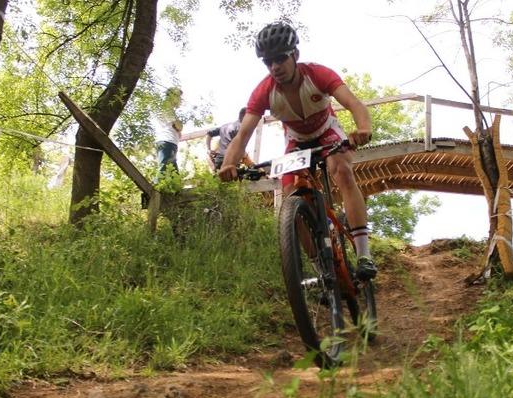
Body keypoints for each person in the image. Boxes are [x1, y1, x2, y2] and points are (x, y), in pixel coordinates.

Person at [217, 22, 377, 279]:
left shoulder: (317, 74)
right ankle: (321, 267)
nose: (275, 67)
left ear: (295, 55)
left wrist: (363, 127)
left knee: (342, 170)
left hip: (327, 132)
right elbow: (243, 133)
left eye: (280, 58)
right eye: (268, 62)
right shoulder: (264, 91)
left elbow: (353, 103)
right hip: (297, 141)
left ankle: (364, 255)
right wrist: (228, 164)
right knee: (290, 197)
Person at [206, 107, 254, 172]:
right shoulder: (241, 128)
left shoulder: (225, 127)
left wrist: (208, 149)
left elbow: (209, 134)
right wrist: (253, 166)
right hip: (230, 161)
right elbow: (241, 151)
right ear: (244, 116)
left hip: (219, 160)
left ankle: (215, 172)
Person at [154, 87, 183, 175]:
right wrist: (179, 126)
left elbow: (178, 127)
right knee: (164, 168)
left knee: (173, 172)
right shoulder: (166, 107)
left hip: (171, 142)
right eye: (178, 97)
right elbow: (179, 126)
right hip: (167, 141)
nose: (180, 99)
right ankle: (155, 188)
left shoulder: (168, 109)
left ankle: (174, 187)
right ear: (172, 96)